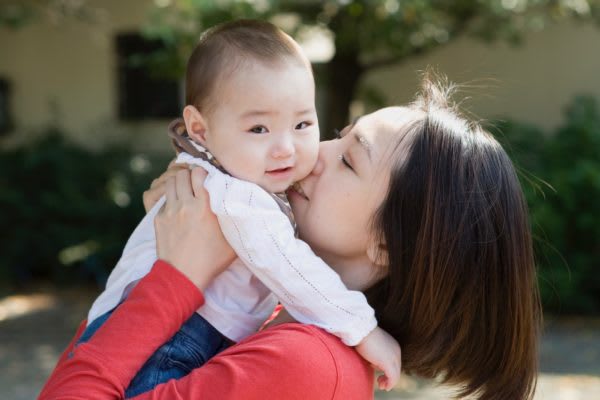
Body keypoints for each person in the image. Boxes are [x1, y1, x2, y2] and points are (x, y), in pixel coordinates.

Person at [39, 73, 542, 400]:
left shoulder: (308, 365)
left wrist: (175, 279)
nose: (313, 151)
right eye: (337, 133)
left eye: (348, 159)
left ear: (388, 243)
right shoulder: (275, 309)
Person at [78, 19, 399, 397]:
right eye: (259, 129)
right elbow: (287, 264)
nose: (286, 148)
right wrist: (363, 328)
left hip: (153, 327)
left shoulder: (222, 174)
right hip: (172, 337)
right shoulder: (238, 194)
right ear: (199, 129)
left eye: (302, 123)